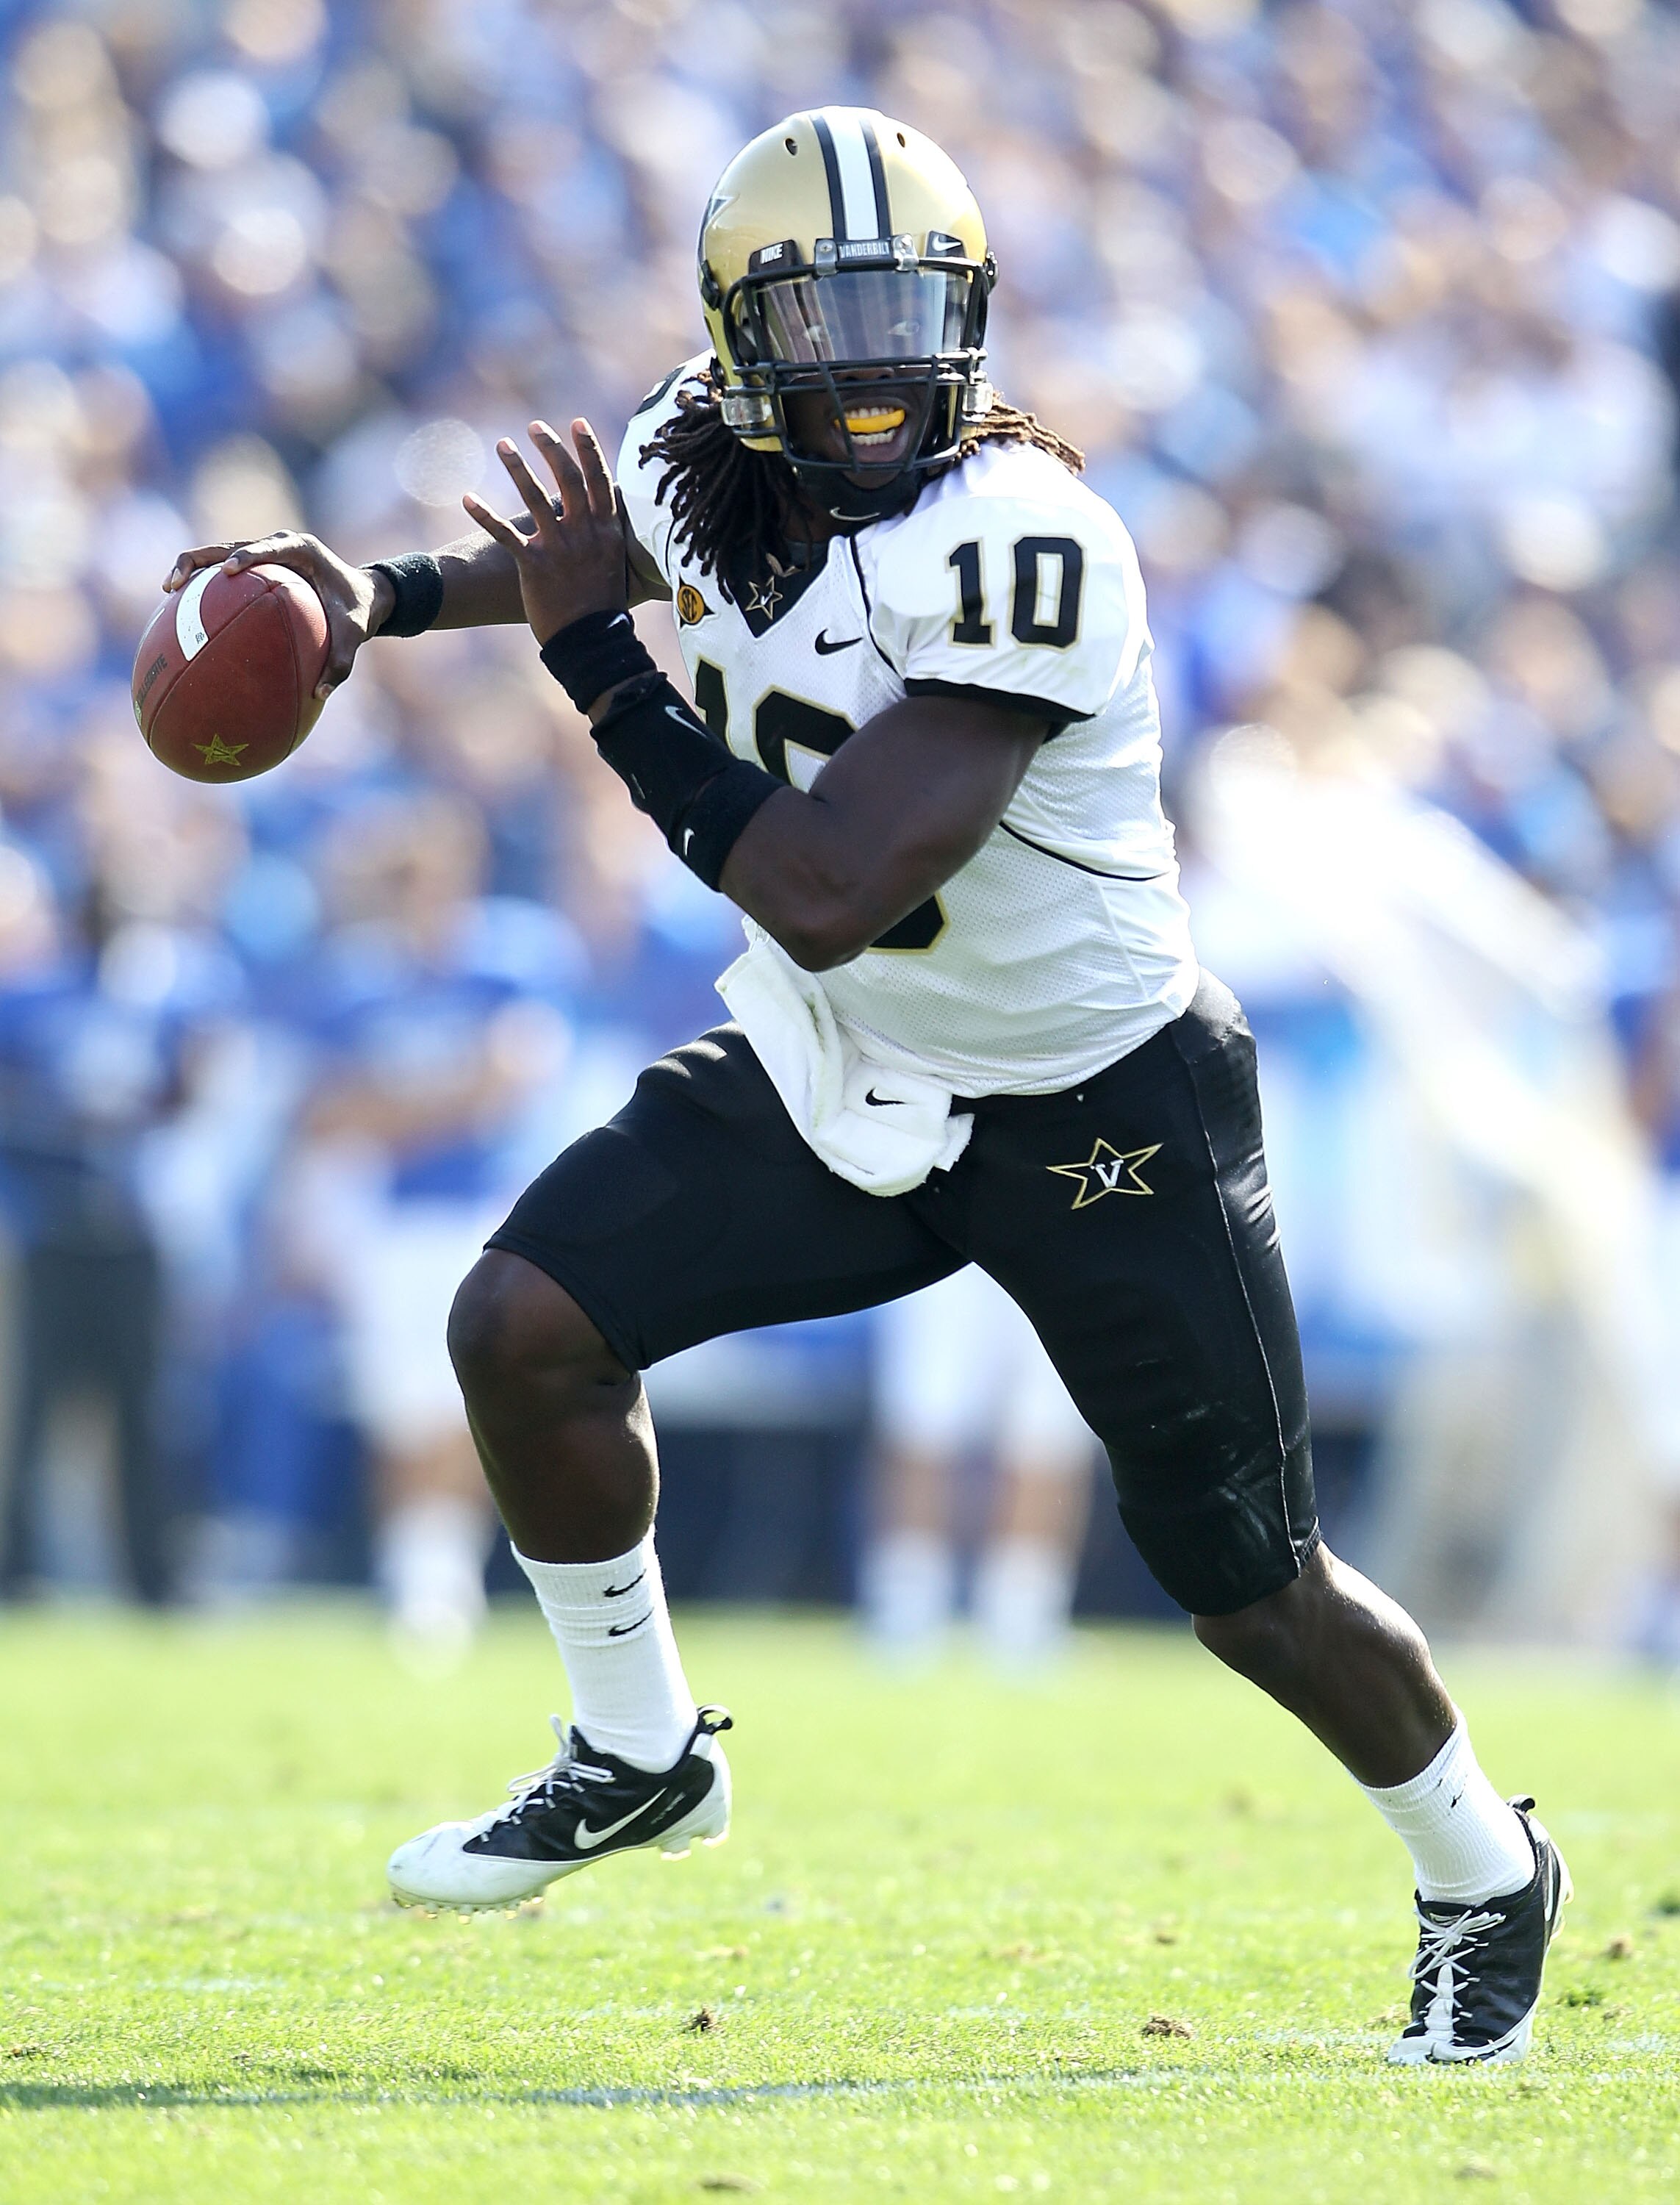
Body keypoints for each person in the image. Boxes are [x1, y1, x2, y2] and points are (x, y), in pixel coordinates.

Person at [166, 108, 1569, 2066]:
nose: (865, 353)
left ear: (972, 311)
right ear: (736, 333)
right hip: (853, 1073)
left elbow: (827, 887)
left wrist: (603, 678)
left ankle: (1479, 1867)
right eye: (817, 309)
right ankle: (634, 1747)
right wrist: (378, 599)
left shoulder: (1029, 543)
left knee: (1247, 1590)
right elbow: (594, 558)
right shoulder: (702, 455)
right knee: (522, 1325)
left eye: (903, 304)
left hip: (1093, 1100)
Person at [863, 1265, 1095, 1670]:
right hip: (948, 1240)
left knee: (1048, 1437)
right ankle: (906, 1612)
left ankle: (1022, 1621)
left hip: (1065, 1235)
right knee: (923, 1422)